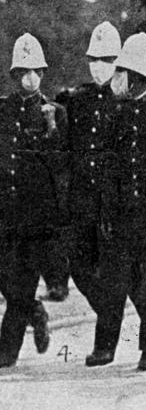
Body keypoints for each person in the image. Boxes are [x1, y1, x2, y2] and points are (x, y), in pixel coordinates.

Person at [85, 32, 146, 371]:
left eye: (127, 70)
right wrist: (107, 208)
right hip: (122, 211)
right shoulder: (118, 113)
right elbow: (111, 165)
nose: (121, 76)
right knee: (113, 281)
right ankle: (104, 347)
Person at [0, 33, 68, 367]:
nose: (30, 78)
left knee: (22, 283)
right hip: (3, 211)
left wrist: (52, 127)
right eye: (24, 72)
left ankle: (6, 352)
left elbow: (60, 165)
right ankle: (36, 312)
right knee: (8, 280)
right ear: (14, 75)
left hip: (34, 216)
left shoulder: (53, 112)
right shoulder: (3, 109)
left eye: (36, 72)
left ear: (43, 73)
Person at [56, 21, 121, 335]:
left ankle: (109, 336)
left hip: (112, 198)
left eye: (106, 60)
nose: (99, 68)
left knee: (115, 270)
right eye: (94, 60)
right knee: (79, 269)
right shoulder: (77, 99)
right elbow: (66, 147)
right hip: (82, 198)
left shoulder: (124, 101)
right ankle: (111, 313)